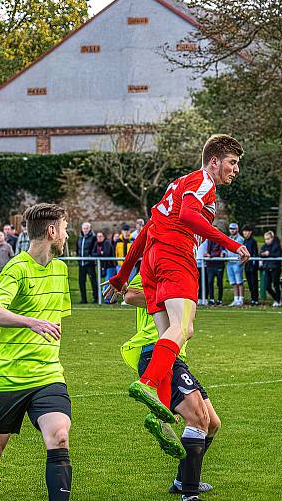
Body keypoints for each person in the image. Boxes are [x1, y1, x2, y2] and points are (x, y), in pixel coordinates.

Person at [102, 134, 249, 478]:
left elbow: (147, 230)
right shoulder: (202, 183)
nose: (235, 170)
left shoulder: (177, 184)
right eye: (231, 163)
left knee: (171, 333)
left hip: (151, 258)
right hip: (174, 254)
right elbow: (189, 217)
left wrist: (123, 275)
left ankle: (158, 414)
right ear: (214, 161)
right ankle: (148, 383)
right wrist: (229, 242)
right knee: (184, 329)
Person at [0, 204, 72, 501]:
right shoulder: (16, 269)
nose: (66, 234)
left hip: (47, 372)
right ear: (51, 232)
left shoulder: (61, 270)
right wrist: (31, 323)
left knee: (59, 436)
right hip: (8, 374)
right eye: (63, 228)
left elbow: (55, 319)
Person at [121, 274, 218, 496]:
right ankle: (190, 493)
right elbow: (131, 296)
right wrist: (168, 297)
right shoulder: (153, 267)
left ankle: (181, 480)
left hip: (175, 356)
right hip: (154, 351)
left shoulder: (181, 273)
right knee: (198, 419)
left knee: (212, 423)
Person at [76, 222, 97, 304]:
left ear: (90, 229)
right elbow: (77, 249)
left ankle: (96, 298)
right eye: (84, 228)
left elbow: (94, 249)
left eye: (87, 228)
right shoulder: (80, 237)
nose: (85, 230)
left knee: (93, 281)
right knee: (81, 282)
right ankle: (83, 299)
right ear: (82, 229)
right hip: (81, 264)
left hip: (90, 264)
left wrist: (90, 256)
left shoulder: (93, 237)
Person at [225, 222, 245, 306]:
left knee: (239, 282)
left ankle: (241, 299)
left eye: (234, 229)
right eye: (230, 229)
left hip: (237, 262)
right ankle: (235, 298)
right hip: (229, 262)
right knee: (233, 282)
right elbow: (226, 249)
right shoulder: (229, 238)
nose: (232, 230)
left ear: (237, 229)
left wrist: (241, 261)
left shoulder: (240, 239)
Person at [261, 230, 282, 307]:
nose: (267, 240)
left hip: (275, 268)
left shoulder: (277, 245)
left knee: (276, 285)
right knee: (267, 286)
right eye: (265, 239)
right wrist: (264, 254)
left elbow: (278, 254)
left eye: (268, 239)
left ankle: (278, 300)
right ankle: (276, 298)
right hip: (267, 268)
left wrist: (269, 254)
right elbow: (260, 253)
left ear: (272, 238)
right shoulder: (264, 246)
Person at [242, 226, 260, 305]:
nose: (245, 233)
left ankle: (255, 299)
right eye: (244, 231)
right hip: (247, 265)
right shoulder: (245, 241)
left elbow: (255, 253)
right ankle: (252, 298)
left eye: (247, 231)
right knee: (249, 283)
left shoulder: (253, 241)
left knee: (254, 283)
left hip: (252, 265)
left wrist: (255, 264)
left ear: (250, 232)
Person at [205, 238, 225, 305]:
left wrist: (211, 255)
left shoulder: (221, 240)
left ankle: (219, 299)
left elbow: (221, 253)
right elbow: (207, 252)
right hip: (210, 265)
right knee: (210, 282)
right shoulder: (209, 240)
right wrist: (207, 254)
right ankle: (211, 299)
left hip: (219, 265)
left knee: (219, 283)